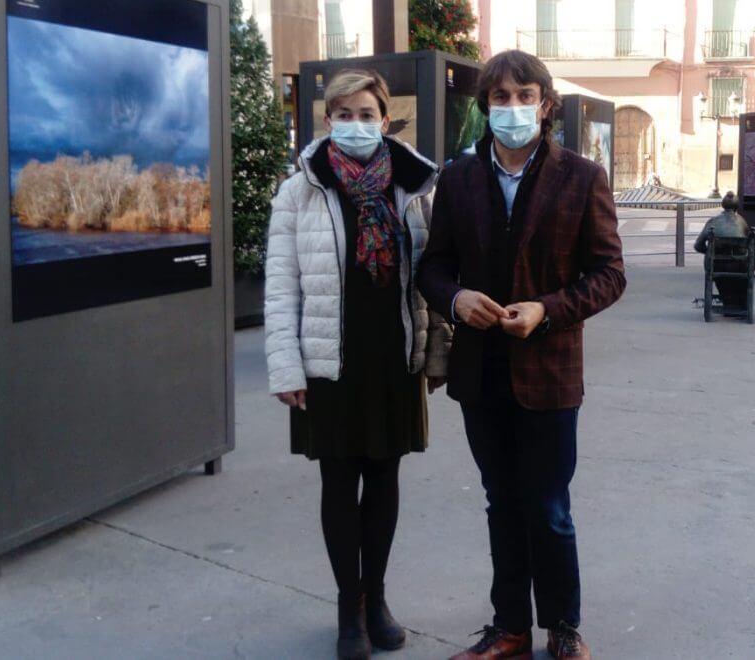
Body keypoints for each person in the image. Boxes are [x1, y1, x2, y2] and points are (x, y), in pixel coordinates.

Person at [418, 50, 626, 660]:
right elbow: (433, 266)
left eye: (524, 96)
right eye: (500, 97)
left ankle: (563, 627)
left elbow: (610, 274)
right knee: (501, 503)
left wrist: (547, 309)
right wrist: (456, 299)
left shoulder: (582, 177)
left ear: (545, 104)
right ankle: (509, 627)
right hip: (481, 373)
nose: (512, 108)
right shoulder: (459, 178)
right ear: (485, 106)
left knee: (549, 507)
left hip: (550, 372)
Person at [265, 69, 451, 660]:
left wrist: (437, 350)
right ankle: (350, 606)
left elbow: (433, 275)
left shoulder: (414, 187)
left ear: (385, 120)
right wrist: (285, 366)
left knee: (386, 480)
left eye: (366, 114)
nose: (355, 124)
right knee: (339, 483)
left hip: (394, 358)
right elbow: (280, 284)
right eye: (343, 114)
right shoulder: (300, 190)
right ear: (327, 121)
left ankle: (377, 599)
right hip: (329, 362)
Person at [694, 191, 752, 311]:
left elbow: (698, 245)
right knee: (741, 269)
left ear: (722, 205)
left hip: (716, 266)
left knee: (718, 271)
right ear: (737, 207)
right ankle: (738, 306)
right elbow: (748, 244)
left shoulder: (713, 222)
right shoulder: (742, 222)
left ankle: (728, 302)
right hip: (739, 266)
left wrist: (711, 253)